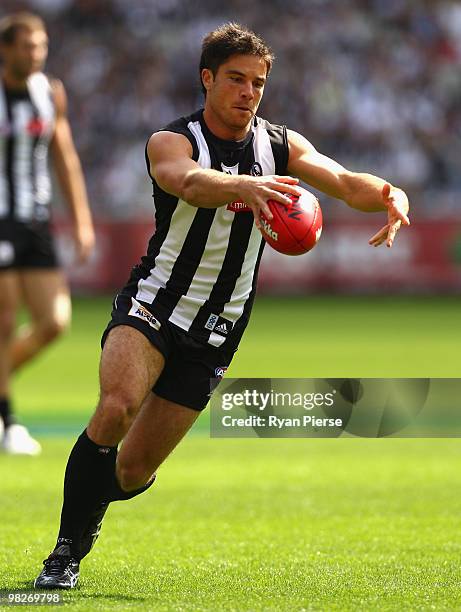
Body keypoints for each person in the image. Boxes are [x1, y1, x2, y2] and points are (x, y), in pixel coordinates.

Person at [34, 22, 409, 589]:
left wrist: (390, 194)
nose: (248, 93)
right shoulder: (172, 139)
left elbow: (345, 181)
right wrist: (246, 188)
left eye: (258, 83)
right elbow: (184, 181)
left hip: (219, 325)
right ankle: (65, 552)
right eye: (236, 79)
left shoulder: (278, 145)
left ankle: (88, 504)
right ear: (207, 79)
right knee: (115, 407)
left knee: (132, 473)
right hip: (155, 302)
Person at [0, 12, 94, 455]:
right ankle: (9, 422)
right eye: (26, 45)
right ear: (6, 49)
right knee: (3, 321)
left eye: (40, 45)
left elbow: (65, 156)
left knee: (54, 322)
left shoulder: (49, 93)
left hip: (35, 220)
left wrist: (81, 219)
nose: (35, 53)